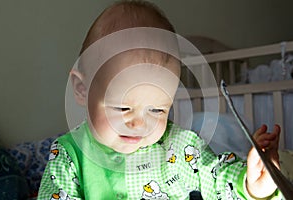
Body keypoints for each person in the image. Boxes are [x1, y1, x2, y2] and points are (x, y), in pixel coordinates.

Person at [38, 1, 282, 199]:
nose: (139, 124)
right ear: (82, 90)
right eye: (122, 107)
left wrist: (253, 185)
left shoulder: (177, 146)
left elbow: (216, 175)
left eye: (156, 110)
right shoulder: (69, 155)